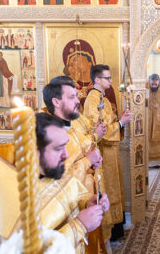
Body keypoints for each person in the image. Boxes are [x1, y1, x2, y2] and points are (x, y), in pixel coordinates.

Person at [0, 113, 110, 253]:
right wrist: (79, 226)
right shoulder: (14, 200)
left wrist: (88, 203)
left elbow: (71, 195)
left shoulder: (52, 169)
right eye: (58, 148)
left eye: (65, 146)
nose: (66, 155)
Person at [42, 76, 109, 253]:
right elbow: (57, 184)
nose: (78, 100)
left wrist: (88, 201)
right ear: (56, 101)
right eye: (72, 97)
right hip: (61, 226)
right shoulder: (47, 138)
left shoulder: (71, 128)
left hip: (80, 207)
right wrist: (88, 161)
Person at [84, 64, 132, 241]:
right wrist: (120, 123)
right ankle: (109, 231)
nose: (111, 81)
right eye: (108, 78)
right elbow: (96, 131)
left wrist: (120, 120)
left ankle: (117, 227)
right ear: (97, 79)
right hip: (103, 153)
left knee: (114, 185)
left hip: (111, 152)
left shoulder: (101, 97)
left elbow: (107, 122)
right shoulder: (93, 100)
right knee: (108, 187)